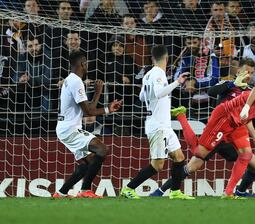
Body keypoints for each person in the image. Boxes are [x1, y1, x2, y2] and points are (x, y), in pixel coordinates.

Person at [155, 78, 255, 198]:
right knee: (198, 153)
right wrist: (245, 105)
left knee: (247, 155)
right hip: (225, 117)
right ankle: (181, 116)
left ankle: (229, 192)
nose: (249, 74)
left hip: (237, 124)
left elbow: (249, 115)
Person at [150, 58, 255, 197]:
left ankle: (240, 191)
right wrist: (231, 84)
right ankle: (160, 191)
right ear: (238, 71)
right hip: (218, 133)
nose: (249, 75)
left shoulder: (250, 92)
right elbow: (212, 91)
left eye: (252, 73)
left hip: (236, 137)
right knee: (193, 166)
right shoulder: (228, 84)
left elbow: (247, 118)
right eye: (247, 72)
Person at [120, 45, 194, 200]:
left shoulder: (148, 74)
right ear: (166, 58)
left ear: (153, 58)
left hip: (162, 124)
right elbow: (160, 93)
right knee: (158, 165)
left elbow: (141, 97)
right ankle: (128, 188)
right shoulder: (159, 73)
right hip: (158, 126)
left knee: (179, 158)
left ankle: (174, 192)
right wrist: (177, 82)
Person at [53, 51, 122, 198]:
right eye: (86, 63)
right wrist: (99, 95)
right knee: (102, 149)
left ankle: (61, 193)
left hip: (66, 128)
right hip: (70, 129)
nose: (87, 65)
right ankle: (85, 191)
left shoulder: (69, 80)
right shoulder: (76, 81)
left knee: (88, 162)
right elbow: (89, 112)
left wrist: (105, 106)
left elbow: (86, 110)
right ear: (83, 64)